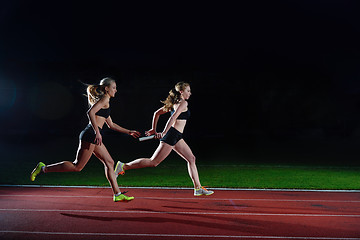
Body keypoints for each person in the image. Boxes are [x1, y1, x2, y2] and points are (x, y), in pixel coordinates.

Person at [30, 77, 141, 202]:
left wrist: (129, 131)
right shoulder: (104, 99)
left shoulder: (106, 102)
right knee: (77, 166)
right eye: (114, 88)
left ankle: (117, 194)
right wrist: (97, 132)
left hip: (93, 135)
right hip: (90, 134)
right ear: (106, 88)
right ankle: (43, 168)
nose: (116, 90)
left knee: (110, 162)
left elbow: (111, 125)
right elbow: (90, 112)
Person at [115, 82, 214, 196]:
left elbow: (156, 113)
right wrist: (164, 132)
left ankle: (197, 188)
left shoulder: (175, 103)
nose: (190, 93)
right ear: (181, 92)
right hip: (172, 135)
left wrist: (153, 129)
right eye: (188, 90)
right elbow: (172, 117)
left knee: (191, 158)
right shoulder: (183, 103)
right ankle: (123, 166)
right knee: (154, 162)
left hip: (177, 136)